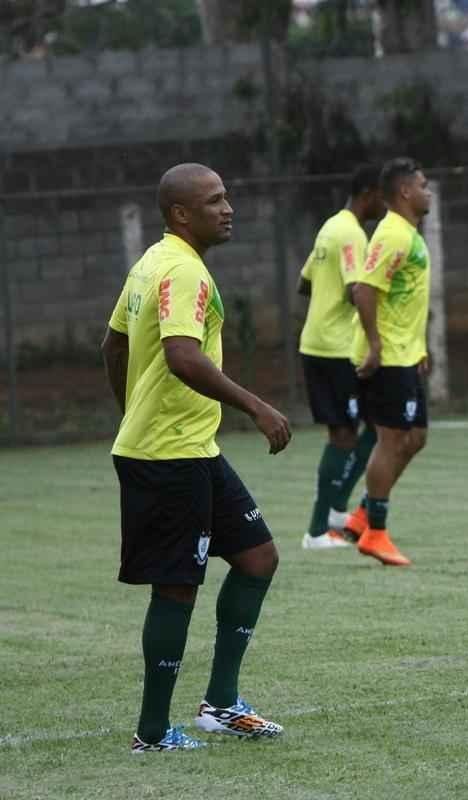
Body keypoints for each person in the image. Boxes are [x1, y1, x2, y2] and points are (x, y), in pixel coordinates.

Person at [100, 163, 291, 752]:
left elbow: (114, 344)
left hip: (192, 448)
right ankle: (153, 732)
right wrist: (256, 406)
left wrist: (131, 407)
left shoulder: (152, 262)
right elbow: (183, 356)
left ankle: (222, 704)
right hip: (168, 456)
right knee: (177, 586)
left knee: (257, 558)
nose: (227, 208)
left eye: (226, 196)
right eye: (214, 200)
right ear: (181, 213)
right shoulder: (181, 271)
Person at [342, 157, 433, 566]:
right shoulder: (394, 235)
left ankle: (363, 514)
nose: (428, 191)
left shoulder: (408, 233)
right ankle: (376, 532)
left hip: (407, 355)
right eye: (424, 185)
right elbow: (363, 290)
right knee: (392, 440)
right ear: (405, 192)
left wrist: (420, 348)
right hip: (389, 358)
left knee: (415, 438)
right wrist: (376, 345)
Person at [297, 164, 386, 550]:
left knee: (365, 427)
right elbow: (357, 291)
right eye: (383, 195)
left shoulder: (330, 226)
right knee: (351, 433)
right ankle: (320, 527)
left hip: (316, 342)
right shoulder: (351, 232)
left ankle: (333, 513)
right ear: (369, 193)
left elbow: (304, 283)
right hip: (336, 348)